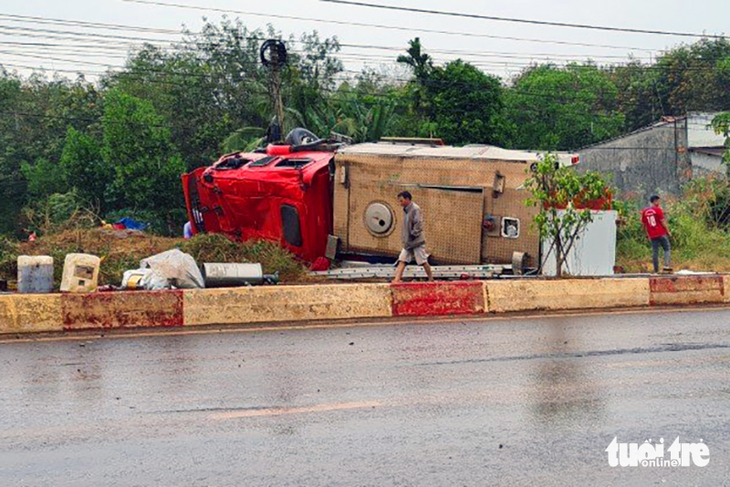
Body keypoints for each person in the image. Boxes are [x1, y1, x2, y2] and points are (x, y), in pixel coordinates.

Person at [393, 191, 434, 283]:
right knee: (402, 259)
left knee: (422, 261)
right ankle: (396, 280)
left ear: (407, 199)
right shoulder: (406, 209)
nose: (400, 203)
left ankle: (431, 279)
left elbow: (418, 224)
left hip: (416, 241)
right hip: (408, 242)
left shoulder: (415, 209)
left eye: (401, 201)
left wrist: (413, 234)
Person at [641, 195, 672, 273]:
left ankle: (656, 270)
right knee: (667, 248)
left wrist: (646, 234)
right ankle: (666, 266)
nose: (659, 202)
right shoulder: (658, 210)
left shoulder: (645, 211)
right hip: (661, 233)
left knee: (655, 252)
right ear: (654, 201)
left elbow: (644, 224)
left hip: (652, 235)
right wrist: (668, 231)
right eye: (658, 201)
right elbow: (663, 222)